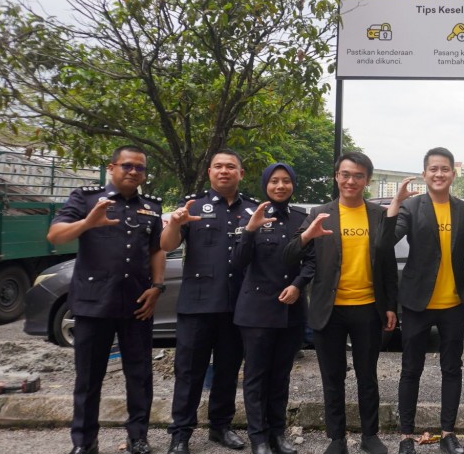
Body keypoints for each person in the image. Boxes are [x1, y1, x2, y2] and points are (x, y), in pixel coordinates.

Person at [48, 145, 165, 454]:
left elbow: (156, 250)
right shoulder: (85, 199)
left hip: (137, 304)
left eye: (139, 168)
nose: (133, 172)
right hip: (93, 303)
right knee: (88, 379)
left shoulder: (152, 206)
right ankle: (84, 442)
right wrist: (87, 222)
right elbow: (56, 235)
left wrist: (157, 286)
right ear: (112, 167)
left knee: (139, 376)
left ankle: (138, 437)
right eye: (127, 166)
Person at [283, 152, 398, 454]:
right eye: (345, 174)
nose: (351, 181)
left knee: (367, 376)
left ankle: (370, 434)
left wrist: (390, 306)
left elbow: (386, 263)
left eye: (358, 175)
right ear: (336, 176)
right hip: (328, 310)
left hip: (368, 308)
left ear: (367, 180)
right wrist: (308, 235)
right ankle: (336, 438)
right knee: (332, 377)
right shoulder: (320, 212)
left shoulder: (376, 214)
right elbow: (290, 254)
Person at [380, 147, 464, 454]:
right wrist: (396, 203)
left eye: (445, 169)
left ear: (453, 174)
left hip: (454, 304)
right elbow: (385, 244)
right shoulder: (412, 208)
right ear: (425, 174)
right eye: (433, 169)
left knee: (452, 369)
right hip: (416, 303)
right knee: (411, 369)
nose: (439, 174)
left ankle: (448, 433)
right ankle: (406, 436)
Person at [162, 149, 259, 453]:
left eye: (231, 166)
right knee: (189, 371)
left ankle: (220, 426)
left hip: (236, 305)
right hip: (197, 305)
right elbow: (167, 245)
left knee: (228, 370)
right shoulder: (193, 206)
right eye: (218, 166)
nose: (224, 171)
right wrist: (175, 223)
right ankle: (180, 433)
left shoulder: (252, 210)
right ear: (209, 172)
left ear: (240, 173)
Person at [232, 163, 312, 454]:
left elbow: (311, 260)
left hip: (291, 310)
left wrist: (299, 284)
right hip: (256, 311)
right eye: (274, 181)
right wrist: (250, 231)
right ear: (265, 185)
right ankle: (259, 438)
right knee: (256, 376)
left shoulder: (303, 219)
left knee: (281, 375)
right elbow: (238, 263)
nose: (280, 186)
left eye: (286, 181)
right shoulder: (250, 216)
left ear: (293, 185)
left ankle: (278, 434)